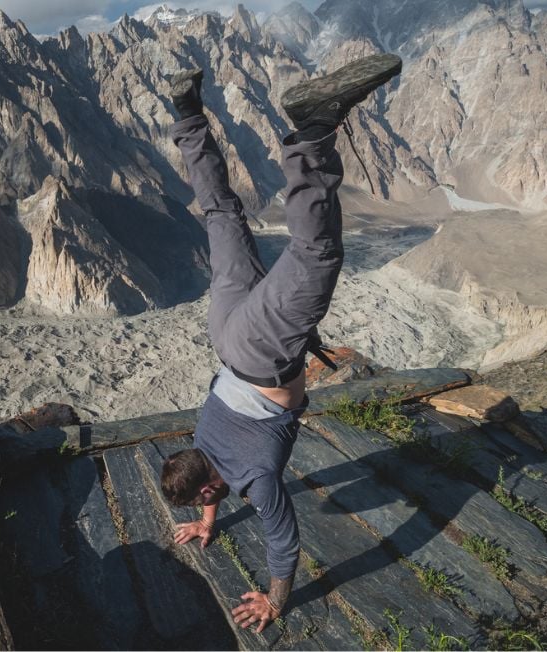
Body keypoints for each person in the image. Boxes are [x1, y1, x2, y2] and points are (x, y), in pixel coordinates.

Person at [159, 53, 403, 634]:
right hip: (226, 332)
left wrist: (275, 599)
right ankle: (188, 112)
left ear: (211, 484)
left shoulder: (257, 478)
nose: (206, 503)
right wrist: (207, 520)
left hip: (261, 354)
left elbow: (282, 539)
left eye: (202, 503)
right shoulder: (201, 442)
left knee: (315, 253)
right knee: (221, 213)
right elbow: (207, 480)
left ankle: (311, 131)